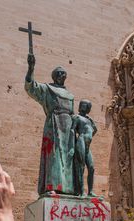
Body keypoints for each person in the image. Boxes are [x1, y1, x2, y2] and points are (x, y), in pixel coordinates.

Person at [25, 54, 75, 195]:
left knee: (69, 156)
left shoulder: (70, 95)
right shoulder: (47, 89)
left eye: (63, 73)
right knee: (54, 155)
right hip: (54, 125)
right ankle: (53, 186)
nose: (61, 75)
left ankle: (68, 188)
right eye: (59, 73)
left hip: (68, 128)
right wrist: (31, 68)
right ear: (54, 76)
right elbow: (31, 88)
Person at [72, 100, 97, 196]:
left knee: (91, 168)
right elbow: (72, 131)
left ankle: (90, 191)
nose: (84, 106)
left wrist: (89, 137)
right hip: (81, 141)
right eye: (83, 105)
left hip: (87, 145)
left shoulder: (90, 120)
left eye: (86, 105)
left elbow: (94, 130)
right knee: (81, 167)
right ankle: (81, 191)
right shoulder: (77, 117)